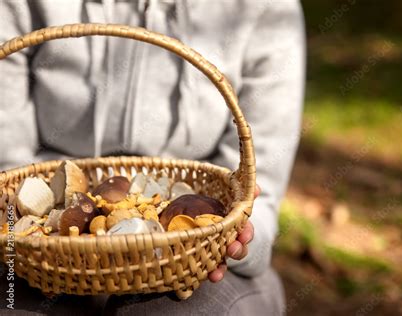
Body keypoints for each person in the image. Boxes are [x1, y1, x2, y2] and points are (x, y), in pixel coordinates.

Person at [0, 0, 305, 315]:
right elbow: (11, 175)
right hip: (40, 251)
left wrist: (236, 242)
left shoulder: (265, 8)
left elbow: (257, 196)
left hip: (192, 255)